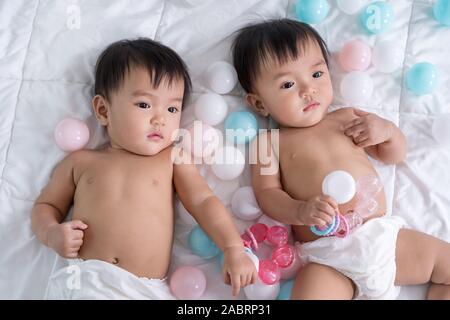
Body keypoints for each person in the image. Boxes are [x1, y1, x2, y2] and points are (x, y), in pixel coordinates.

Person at [232, 18, 450, 299]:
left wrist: (387, 132)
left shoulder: (346, 118)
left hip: (382, 240)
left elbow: (394, 156)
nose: (307, 90)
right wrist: (299, 210)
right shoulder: (268, 143)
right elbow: (267, 194)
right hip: (328, 258)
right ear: (259, 103)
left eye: (317, 75)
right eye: (287, 84)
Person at [32, 38, 257, 299]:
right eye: (144, 104)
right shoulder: (81, 162)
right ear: (103, 110)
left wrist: (232, 248)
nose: (160, 119)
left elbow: (203, 201)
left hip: (144, 290)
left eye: (172, 108)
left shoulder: (172, 159)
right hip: (85, 281)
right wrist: (51, 233)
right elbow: (45, 206)